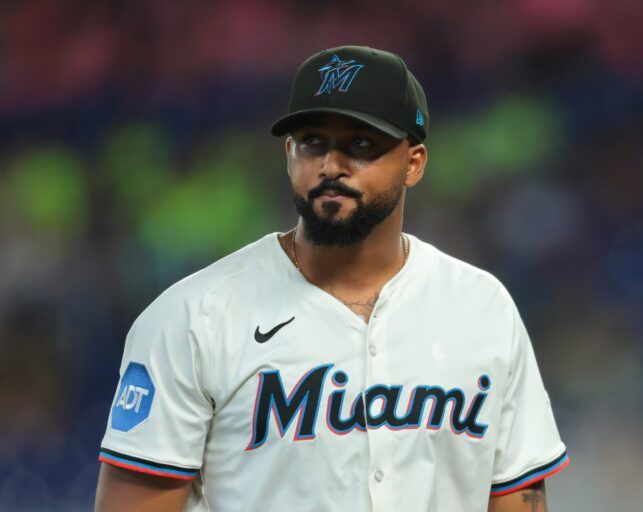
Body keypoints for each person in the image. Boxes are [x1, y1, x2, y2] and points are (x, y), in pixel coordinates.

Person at [94, 45, 569, 512]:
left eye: (361, 144)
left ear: (414, 163)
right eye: (313, 141)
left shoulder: (482, 308)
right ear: (288, 153)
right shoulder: (193, 317)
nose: (331, 165)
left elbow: (517, 496)